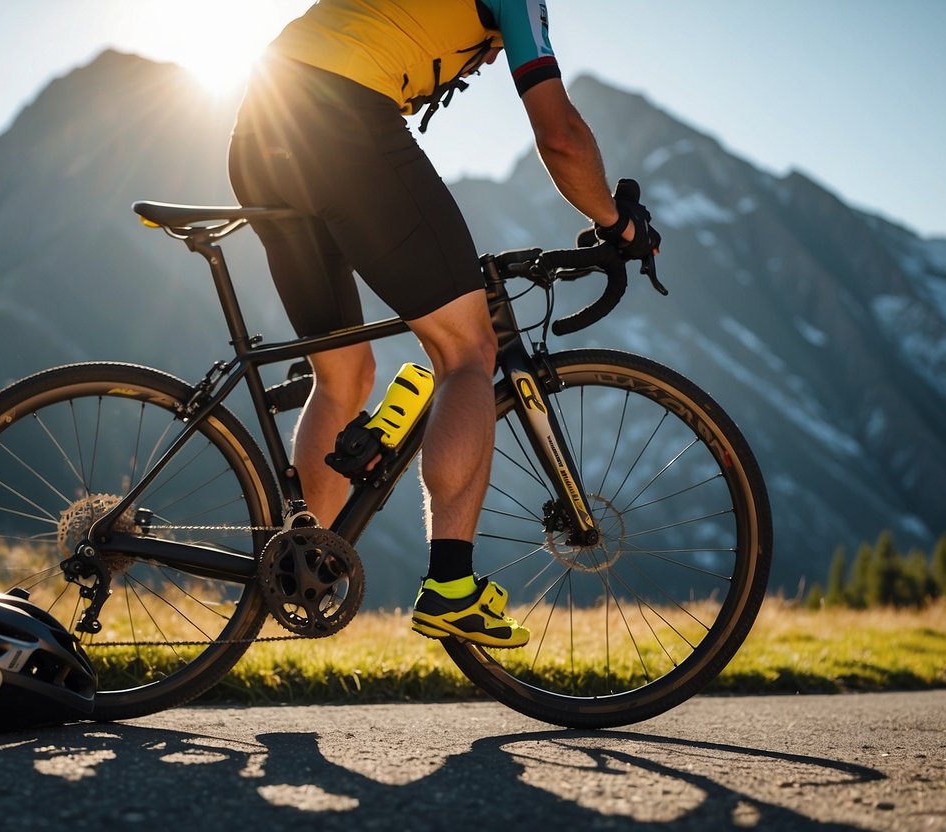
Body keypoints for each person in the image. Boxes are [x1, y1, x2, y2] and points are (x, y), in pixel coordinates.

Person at [228, 0, 659, 649]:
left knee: (342, 374)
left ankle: (300, 576)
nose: (482, 62)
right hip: (343, 121)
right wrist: (618, 223)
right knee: (468, 349)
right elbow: (560, 135)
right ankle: (452, 588)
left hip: (261, 126)